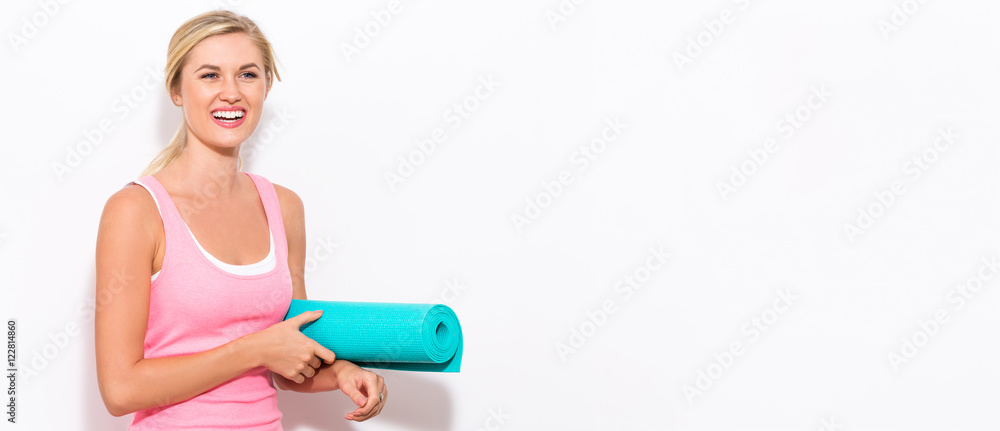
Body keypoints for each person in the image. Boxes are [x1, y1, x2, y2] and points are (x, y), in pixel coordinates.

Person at [94, 10, 387, 429]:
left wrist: (343, 372)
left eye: (247, 75)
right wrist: (255, 350)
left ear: (266, 86)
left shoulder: (284, 207)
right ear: (177, 90)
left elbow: (291, 354)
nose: (230, 92)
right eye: (210, 75)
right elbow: (120, 390)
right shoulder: (136, 211)